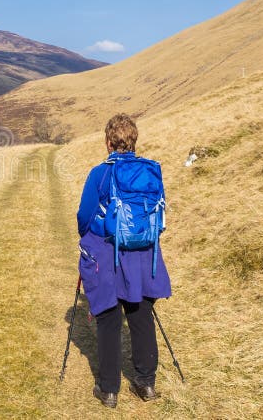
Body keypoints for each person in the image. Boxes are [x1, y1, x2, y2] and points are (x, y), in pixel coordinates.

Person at [75, 113, 172, 408]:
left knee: (108, 318)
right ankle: (146, 384)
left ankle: (108, 390)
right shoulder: (151, 171)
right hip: (143, 254)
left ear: (108, 142)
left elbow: (84, 216)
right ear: (133, 141)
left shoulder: (99, 174)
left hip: (106, 252)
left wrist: (87, 237)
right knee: (141, 315)